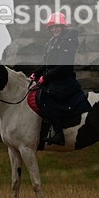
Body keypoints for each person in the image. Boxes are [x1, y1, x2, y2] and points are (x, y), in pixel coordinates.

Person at [30, 12, 85, 146]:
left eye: (57, 27)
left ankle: (59, 134)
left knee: (46, 97)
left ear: (63, 27)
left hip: (65, 80)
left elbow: (63, 66)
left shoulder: (69, 41)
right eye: (52, 27)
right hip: (53, 79)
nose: (55, 29)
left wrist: (45, 78)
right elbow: (47, 64)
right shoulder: (51, 42)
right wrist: (36, 73)